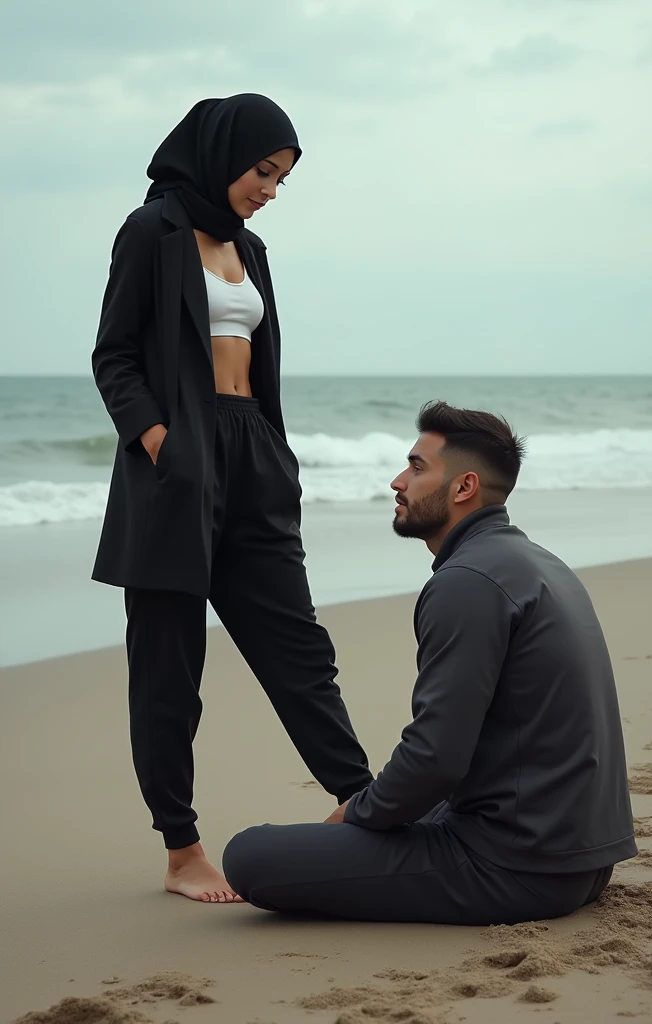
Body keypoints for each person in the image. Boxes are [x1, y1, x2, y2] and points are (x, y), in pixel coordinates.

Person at [91, 94, 372, 903]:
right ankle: (182, 852)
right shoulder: (152, 233)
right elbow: (114, 356)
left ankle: (360, 798)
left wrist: (273, 454)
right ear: (223, 155)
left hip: (251, 450)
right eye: (263, 172)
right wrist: (161, 444)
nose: (270, 190)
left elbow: (259, 359)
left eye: (281, 179)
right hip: (177, 460)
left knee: (296, 639)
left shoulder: (253, 248)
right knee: (169, 667)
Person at [223, 402, 637, 924]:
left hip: (516, 868)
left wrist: (356, 812)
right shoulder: (538, 562)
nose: (398, 481)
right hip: (583, 856)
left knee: (250, 855)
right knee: (397, 808)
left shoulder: (467, 582)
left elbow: (437, 756)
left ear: (463, 488)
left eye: (417, 467)